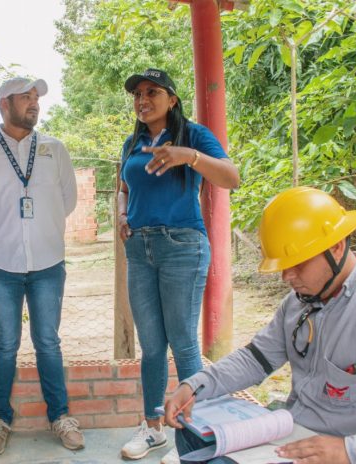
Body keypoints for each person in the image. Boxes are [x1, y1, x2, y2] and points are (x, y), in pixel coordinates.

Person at [165, 186, 356, 463]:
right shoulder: (297, 304)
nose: (287, 277)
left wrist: (349, 450)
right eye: (283, 266)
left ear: (336, 247)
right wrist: (195, 385)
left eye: (297, 264)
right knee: (191, 433)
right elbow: (255, 360)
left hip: (352, 451)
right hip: (294, 435)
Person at [117, 68, 239, 462]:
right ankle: (153, 430)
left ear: (172, 98)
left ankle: (195, 435)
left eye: (152, 92)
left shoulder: (193, 134)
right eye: (137, 94)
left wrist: (190, 156)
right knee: (152, 347)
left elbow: (232, 178)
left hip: (181, 246)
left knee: (184, 342)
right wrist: (121, 215)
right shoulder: (132, 142)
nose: (142, 99)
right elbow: (123, 187)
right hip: (139, 249)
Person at [0, 77, 84, 456]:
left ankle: (60, 416)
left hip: (48, 261)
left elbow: (67, 200)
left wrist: (35, 230)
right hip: (0, 263)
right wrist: (9, 232)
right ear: (3, 103)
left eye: (36, 98)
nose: (34, 103)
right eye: (26, 97)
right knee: (5, 343)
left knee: (48, 341)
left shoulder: (54, 149)